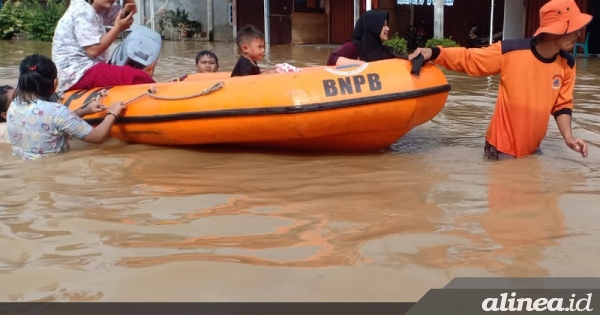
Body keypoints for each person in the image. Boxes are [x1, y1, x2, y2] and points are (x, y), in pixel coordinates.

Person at [408, 0, 591, 160]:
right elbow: (470, 59)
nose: (579, 34)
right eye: (574, 29)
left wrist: (569, 137)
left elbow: (562, 104)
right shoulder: (510, 51)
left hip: (532, 149)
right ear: (554, 31)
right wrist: (434, 52)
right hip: (500, 149)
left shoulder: (568, 63)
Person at [5, 54, 128, 161]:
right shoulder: (56, 111)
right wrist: (112, 113)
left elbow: (49, 123)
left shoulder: (14, 105)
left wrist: (86, 111)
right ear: (55, 83)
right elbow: (97, 137)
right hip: (53, 168)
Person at [52, 0, 156, 94]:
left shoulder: (97, 9)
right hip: (77, 73)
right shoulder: (83, 10)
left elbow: (130, 11)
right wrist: (117, 28)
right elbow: (93, 50)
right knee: (137, 76)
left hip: (85, 68)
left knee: (136, 66)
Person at [326, 10, 394, 66]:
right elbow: (332, 60)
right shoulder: (353, 46)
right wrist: (362, 64)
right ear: (373, 26)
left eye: (387, 25)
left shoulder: (383, 50)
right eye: (384, 25)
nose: (388, 28)